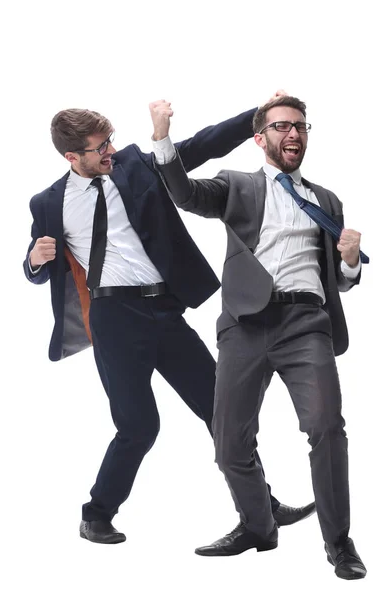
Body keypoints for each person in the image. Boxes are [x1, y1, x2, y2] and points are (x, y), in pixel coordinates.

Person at [23, 99, 314, 545]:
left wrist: (263, 110)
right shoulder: (48, 202)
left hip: (164, 311)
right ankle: (97, 513)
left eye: (111, 142)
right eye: (100, 148)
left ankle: (264, 509)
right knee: (139, 425)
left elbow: (203, 145)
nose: (110, 152)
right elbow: (39, 265)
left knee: (222, 412)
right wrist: (34, 261)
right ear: (71, 157)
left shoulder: (136, 164)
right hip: (113, 319)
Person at [152, 95, 367, 579]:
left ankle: (339, 543)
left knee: (326, 428)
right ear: (260, 137)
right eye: (282, 126)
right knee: (229, 443)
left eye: (301, 127)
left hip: (305, 324)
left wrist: (351, 259)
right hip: (245, 325)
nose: (293, 134)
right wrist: (162, 138)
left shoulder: (326, 201)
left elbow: (343, 280)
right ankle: (258, 525)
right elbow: (185, 195)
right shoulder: (238, 186)